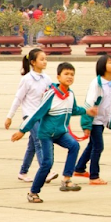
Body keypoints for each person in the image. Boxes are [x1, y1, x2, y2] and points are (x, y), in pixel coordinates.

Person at [12, 61, 85, 203]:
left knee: (74, 146)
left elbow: (74, 109)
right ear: (58, 77)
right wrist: (22, 130)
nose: (69, 77)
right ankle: (33, 192)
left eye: (72, 74)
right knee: (47, 163)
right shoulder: (51, 94)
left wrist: (87, 110)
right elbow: (36, 114)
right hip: (46, 134)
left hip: (60, 133)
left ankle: (66, 179)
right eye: (66, 74)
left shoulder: (70, 94)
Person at [7, 49, 51, 182]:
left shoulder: (47, 78)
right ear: (33, 62)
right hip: (30, 116)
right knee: (39, 141)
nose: (44, 62)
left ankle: (23, 171)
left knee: (32, 144)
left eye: (45, 59)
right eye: (41, 59)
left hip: (41, 116)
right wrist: (10, 116)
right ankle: (45, 170)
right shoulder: (26, 80)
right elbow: (18, 99)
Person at [79, 56, 111, 184]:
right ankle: (94, 176)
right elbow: (89, 104)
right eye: (110, 62)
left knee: (92, 145)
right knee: (98, 146)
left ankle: (80, 168)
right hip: (94, 120)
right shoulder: (97, 83)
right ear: (102, 66)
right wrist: (86, 125)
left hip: (104, 119)